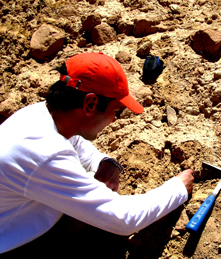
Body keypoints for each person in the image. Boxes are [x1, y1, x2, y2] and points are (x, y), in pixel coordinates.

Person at [0, 52, 194, 255]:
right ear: (90, 104)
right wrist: (177, 188)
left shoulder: (41, 114)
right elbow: (123, 219)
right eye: (116, 111)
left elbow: (79, 146)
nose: (114, 120)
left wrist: (107, 162)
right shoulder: (45, 152)